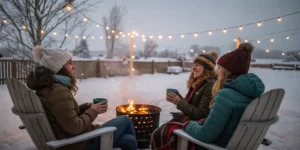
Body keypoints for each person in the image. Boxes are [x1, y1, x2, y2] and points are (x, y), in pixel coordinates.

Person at [26, 45, 137, 150]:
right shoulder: (58, 91)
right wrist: (94, 110)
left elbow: (63, 115)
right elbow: (74, 127)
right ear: (58, 68)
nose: (73, 67)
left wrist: (86, 107)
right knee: (125, 120)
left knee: (129, 140)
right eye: (69, 63)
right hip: (77, 144)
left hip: (75, 139)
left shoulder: (50, 88)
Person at [183, 43, 265, 148]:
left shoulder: (224, 95)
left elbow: (205, 135)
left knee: (172, 132)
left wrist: (188, 125)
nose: (217, 72)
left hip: (219, 146)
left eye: (219, 68)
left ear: (226, 72)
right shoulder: (252, 94)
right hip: (240, 144)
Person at [151, 52, 218, 150]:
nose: (194, 68)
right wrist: (179, 99)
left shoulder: (209, 85)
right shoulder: (198, 83)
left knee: (160, 133)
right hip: (189, 119)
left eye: (198, 65)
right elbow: (192, 105)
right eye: (194, 65)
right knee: (158, 132)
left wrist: (179, 102)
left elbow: (202, 113)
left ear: (207, 69)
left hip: (196, 123)